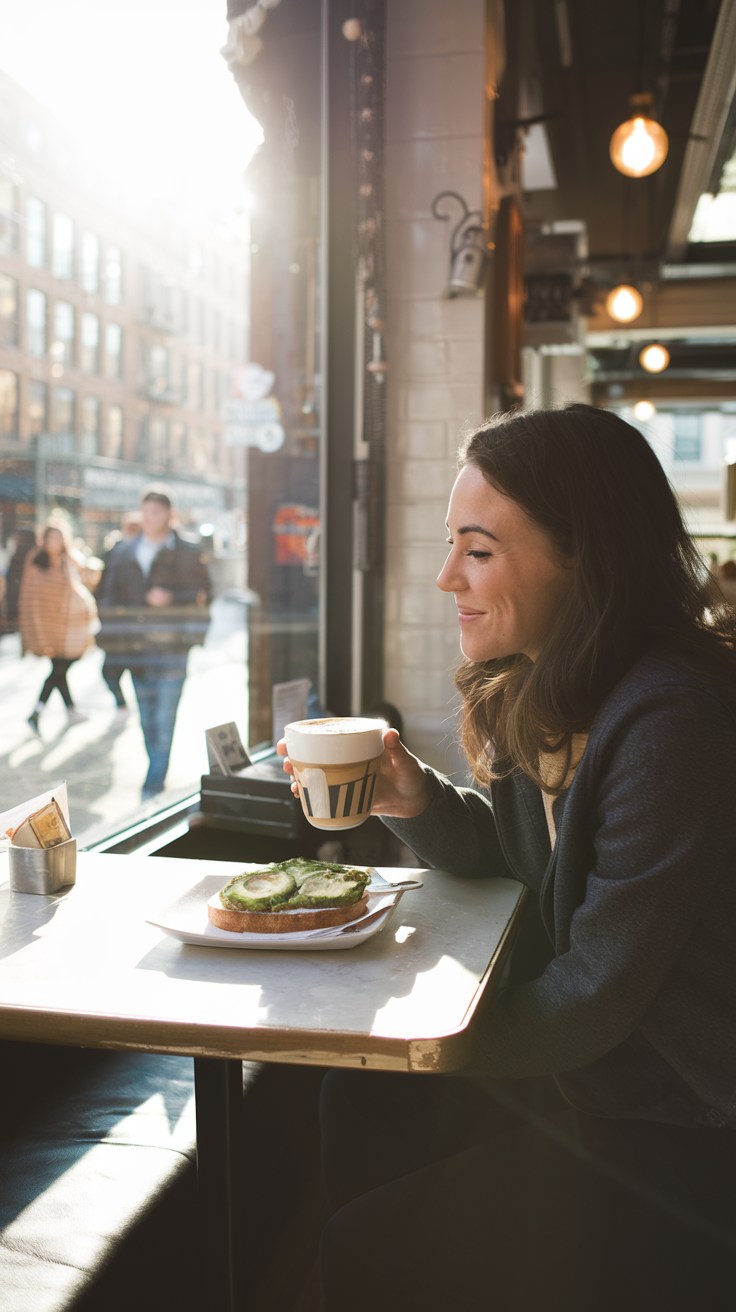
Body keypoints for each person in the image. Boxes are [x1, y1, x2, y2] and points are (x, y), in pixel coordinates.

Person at [278, 404, 736, 1310]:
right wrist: (415, 800)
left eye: (478, 550)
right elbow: (546, 868)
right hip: (605, 1070)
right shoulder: (550, 685)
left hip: (685, 1112)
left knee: (363, 1247)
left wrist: (418, 1045)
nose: (448, 576)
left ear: (583, 557)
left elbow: (597, 990)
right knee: (359, 1102)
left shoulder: (671, 719)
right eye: (452, 544)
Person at [97, 486, 211, 799]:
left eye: (156, 513)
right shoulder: (125, 551)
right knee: (147, 716)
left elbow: (205, 594)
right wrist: (113, 634)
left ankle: (154, 781)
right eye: (146, 512)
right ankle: (155, 769)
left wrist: (171, 598)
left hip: (173, 648)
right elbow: (107, 595)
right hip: (136, 649)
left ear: (169, 515)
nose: (150, 518)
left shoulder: (187, 550)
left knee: (165, 715)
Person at [19, 521, 98, 730]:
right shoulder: (36, 558)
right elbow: (32, 595)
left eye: (59, 538)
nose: (55, 542)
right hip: (48, 624)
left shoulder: (68, 558)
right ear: (44, 539)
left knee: (60, 667)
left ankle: (42, 711)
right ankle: (63, 710)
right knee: (59, 667)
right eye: (51, 537)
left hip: (68, 624)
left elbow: (87, 577)